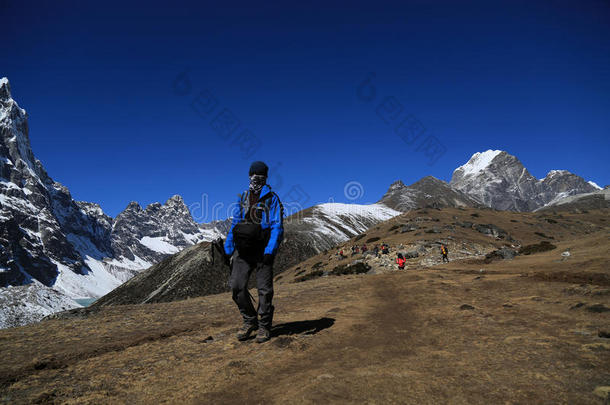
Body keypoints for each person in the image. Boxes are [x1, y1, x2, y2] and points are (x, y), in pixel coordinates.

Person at [224, 161, 284, 343]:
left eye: (260, 176)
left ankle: (264, 325)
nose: (256, 179)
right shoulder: (242, 197)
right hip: (242, 250)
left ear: (265, 178)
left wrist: (270, 251)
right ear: (249, 176)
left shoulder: (272, 198)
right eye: (254, 175)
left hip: (263, 251)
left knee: (264, 291)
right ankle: (250, 320)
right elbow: (235, 223)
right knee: (236, 286)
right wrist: (228, 246)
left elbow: (277, 226)